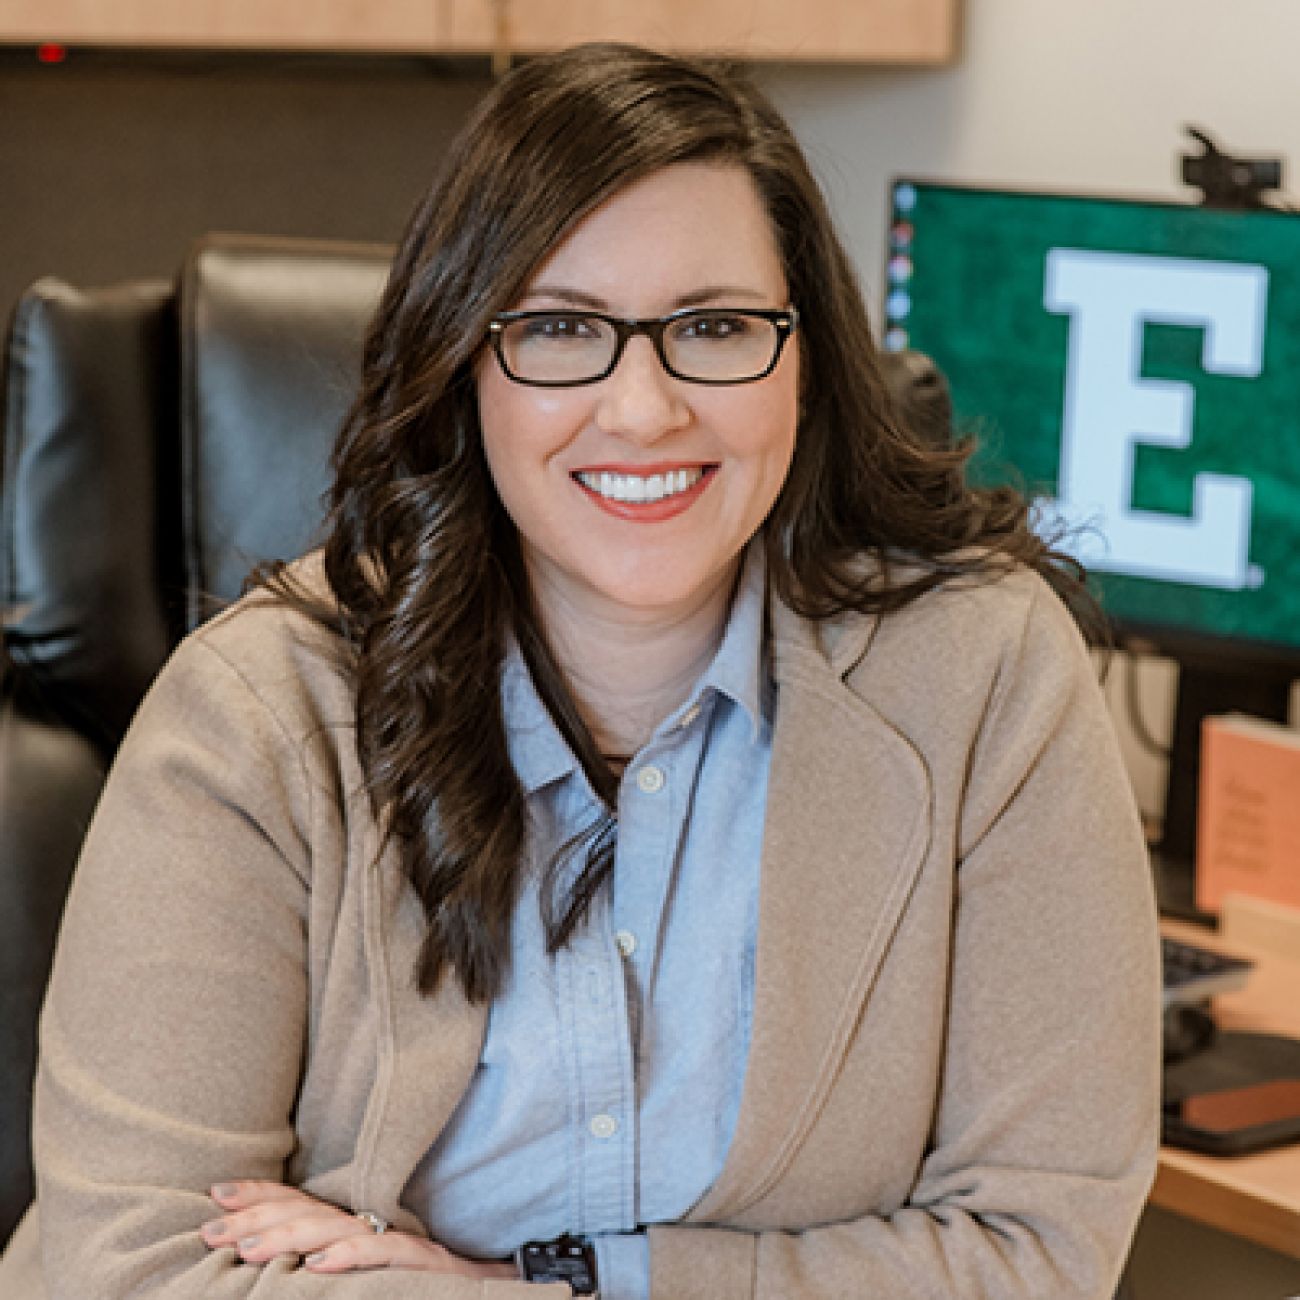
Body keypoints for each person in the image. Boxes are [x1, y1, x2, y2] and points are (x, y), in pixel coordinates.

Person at [0, 41, 1160, 1300]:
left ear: (807, 359)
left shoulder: (983, 674)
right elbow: (126, 1270)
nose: (644, 408)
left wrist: (545, 1288)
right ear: (466, 363)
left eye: (714, 327)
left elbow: (1039, 1251)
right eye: (560, 330)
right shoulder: (259, 716)